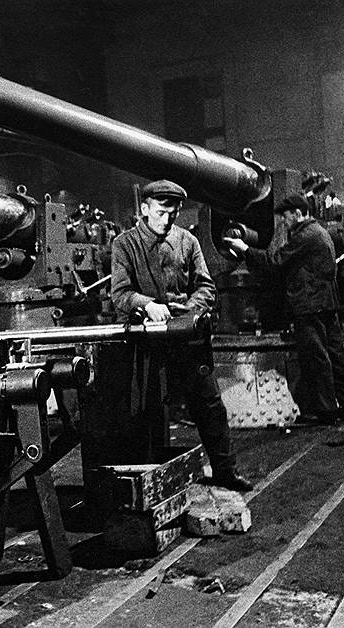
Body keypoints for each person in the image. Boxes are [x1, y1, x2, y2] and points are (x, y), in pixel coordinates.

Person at [111, 179, 253, 492]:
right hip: (148, 342)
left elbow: (206, 286)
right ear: (144, 209)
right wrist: (148, 305)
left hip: (187, 337)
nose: (166, 220)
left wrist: (188, 309)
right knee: (147, 412)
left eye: (172, 214)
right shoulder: (125, 244)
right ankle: (149, 482)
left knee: (209, 406)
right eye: (160, 213)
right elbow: (120, 293)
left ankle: (225, 471)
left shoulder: (188, 241)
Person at [223, 193, 344, 425]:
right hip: (326, 303)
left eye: (286, 217)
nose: (284, 222)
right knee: (336, 355)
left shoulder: (305, 236)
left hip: (310, 306)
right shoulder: (319, 231)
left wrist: (245, 249)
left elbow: (275, 261)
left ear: (298, 213)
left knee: (317, 358)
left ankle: (326, 412)